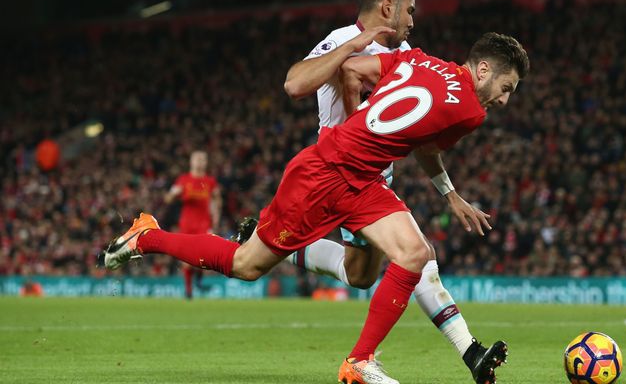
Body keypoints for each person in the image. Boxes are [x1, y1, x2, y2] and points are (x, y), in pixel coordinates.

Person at [102, 32, 529, 384]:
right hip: (325, 177)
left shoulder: (417, 59)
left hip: (362, 178)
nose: (504, 101)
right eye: (506, 88)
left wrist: (357, 126)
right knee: (246, 266)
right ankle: (147, 236)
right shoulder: (471, 111)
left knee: (414, 254)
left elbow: (353, 70)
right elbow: (427, 145)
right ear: (483, 69)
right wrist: (440, 187)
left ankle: (360, 362)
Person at [283, 0, 507, 384]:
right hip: (344, 171)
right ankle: (467, 352)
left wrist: (450, 194)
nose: (413, 20)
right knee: (417, 256)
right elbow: (297, 82)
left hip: (373, 176)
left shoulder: (406, 51)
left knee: (361, 273)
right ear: (388, 7)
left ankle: (281, 245)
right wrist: (355, 134)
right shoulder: (340, 39)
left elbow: (423, 138)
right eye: (410, 10)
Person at [164, 150, 221, 299]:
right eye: (197, 159)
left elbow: (216, 200)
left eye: (203, 159)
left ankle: (199, 279)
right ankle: (188, 292)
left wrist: (216, 217)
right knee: (187, 261)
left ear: (206, 163)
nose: (200, 162)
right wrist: (174, 193)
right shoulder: (183, 180)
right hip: (187, 225)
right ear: (191, 162)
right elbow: (168, 199)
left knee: (204, 256)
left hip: (204, 224)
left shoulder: (210, 181)